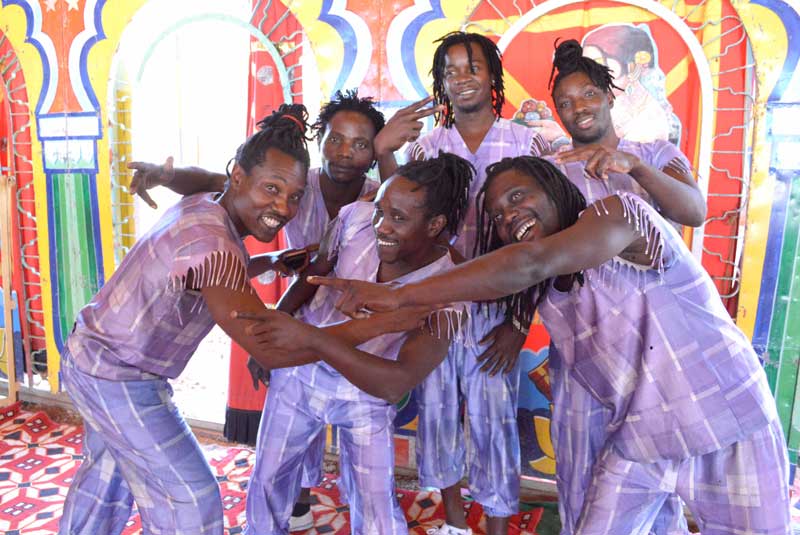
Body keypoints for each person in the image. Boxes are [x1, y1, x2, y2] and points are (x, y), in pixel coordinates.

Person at [311, 155, 790, 535]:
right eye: (498, 215)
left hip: (725, 422)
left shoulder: (622, 214)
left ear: (555, 187)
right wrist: (326, 334)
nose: (509, 216)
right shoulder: (548, 292)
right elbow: (502, 277)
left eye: (519, 196)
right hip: (641, 441)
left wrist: (398, 294)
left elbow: (530, 261)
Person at [128, 89, 387, 531]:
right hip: (297, 319)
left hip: (353, 333)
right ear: (320, 140)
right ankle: (295, 504)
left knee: (359, 454)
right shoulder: (299, 184)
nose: (346, 152)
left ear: (374, 152)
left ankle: (331, 503)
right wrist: (166, 176)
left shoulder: (377, 198)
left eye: (361, 144)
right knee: (286, 440)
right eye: (336, 139)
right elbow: (217, 181)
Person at [372, 31, 565, 535]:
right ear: (441, 83)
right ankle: (455, 522)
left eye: (472, 67)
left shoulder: (526, 142)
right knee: (437, 417)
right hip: (438, 306)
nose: (462, 79)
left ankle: (497, 526)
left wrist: (518, 325)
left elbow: (544, 242)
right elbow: (401, 215)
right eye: (450, 71)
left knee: (493, 424)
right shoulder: (429, 146)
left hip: (499, 310)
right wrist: (385, 151)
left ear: (492, 75)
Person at [241, 153, 474, 535]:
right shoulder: (353, 219)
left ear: (435, 225)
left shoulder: (450, 289)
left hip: (366, 394)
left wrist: (307, 339)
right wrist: (273, 334)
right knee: (269, 476)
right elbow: (313, 274)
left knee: (374, 500)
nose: (381, 225)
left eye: (398, 218)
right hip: (299, 375)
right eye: (380, 210)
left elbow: (395, 383)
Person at [542, 38, 707, 535]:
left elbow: (693, 210)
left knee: (655, 475)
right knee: (580, 472)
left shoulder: (655, 153)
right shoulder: (553, 171)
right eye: (565, 102)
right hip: (584, 348)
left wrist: (634, 168)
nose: (578, 108)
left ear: (610, 97)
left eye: (588, 94)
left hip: (657, 350)